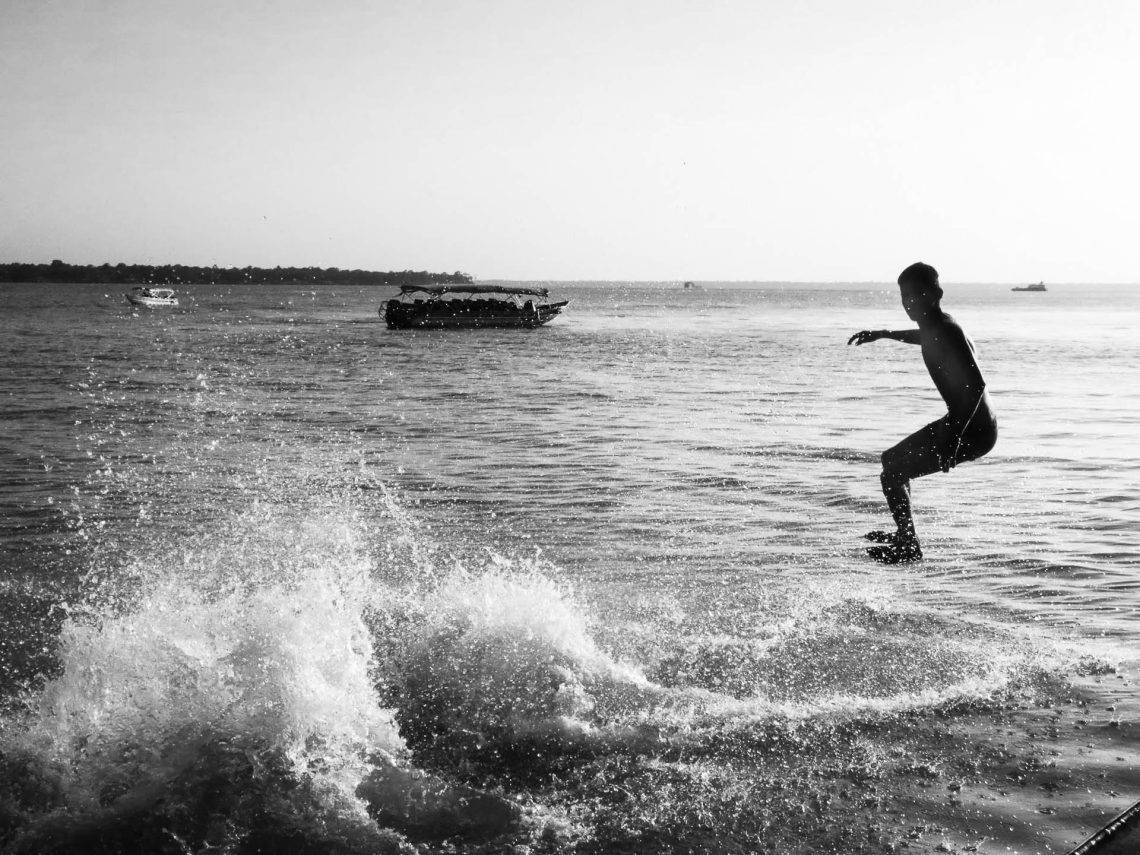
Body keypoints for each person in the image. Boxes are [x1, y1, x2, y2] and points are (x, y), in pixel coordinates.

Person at [847, 262, 997, 563]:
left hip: (972, 429)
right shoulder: (935, 327)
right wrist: (885, 333)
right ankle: (905, 535)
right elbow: (924, 336)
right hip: (959, 421)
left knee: (893, 475)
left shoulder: (947, 330)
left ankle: (909, 546)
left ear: (934, 294)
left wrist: (954, 437)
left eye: (915, 295)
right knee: (889, 461)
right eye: (904, 296)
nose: (908, 303)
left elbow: (976, 385)